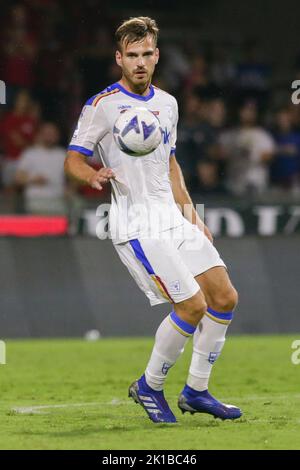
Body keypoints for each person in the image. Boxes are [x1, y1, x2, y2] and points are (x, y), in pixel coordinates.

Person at [65, 16, 241, 424]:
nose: (140, 62)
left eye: (146, 54)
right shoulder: (101, 106)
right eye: (131, 56)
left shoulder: (168, 104)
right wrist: (92, 174)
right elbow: (72, 158)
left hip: (171, 217)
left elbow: (171, 163)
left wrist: (191, 213)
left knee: (224, 297)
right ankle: (150, 386)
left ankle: (196, 390)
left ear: (157, 56)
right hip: (136, 223)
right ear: (119, 59)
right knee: (192, 305)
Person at [15, 122, 66, 214]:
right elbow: (18, 179)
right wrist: (33, 179)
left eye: (52, 134)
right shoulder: (30, 154)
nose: (49, 136)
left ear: (57, 136)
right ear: (40, 134)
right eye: (47, 133)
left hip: (58, 204)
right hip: (35, 203)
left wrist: (70, 190)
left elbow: (72, 179)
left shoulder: (63, 155)